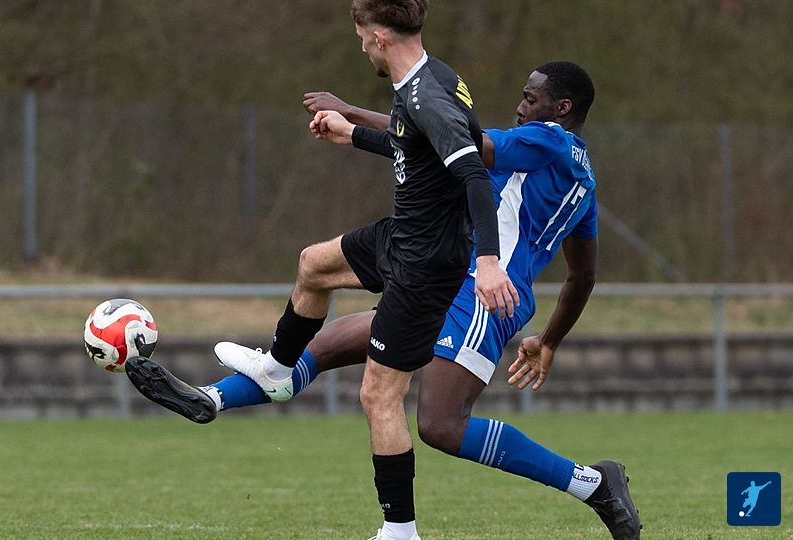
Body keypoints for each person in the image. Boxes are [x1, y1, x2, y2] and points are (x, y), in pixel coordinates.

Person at [127, 61, 643, 540]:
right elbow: (583, 274)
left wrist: (352, 116)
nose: (520, 106)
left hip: (482, 293)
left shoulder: (546, 140)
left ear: (562, 108)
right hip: (451, 276)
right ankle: (211, 399)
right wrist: (549, 341)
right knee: (328, 343)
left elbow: (447, 138)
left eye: (530, 98)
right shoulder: (578, 177)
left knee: (441, 425)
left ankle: (592, 484)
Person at [173, 3, 514, 539]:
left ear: (378, 37)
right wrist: (349, 132)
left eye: (360, 38)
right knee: (314, 264)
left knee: (379, 396)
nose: (360, 48)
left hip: (426, 266)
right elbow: (411, 145)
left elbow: (473, 172)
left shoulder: (427, 96)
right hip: (402, 237)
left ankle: (399, 531)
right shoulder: (429, 77)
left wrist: (489, 262)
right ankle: (278, 369)